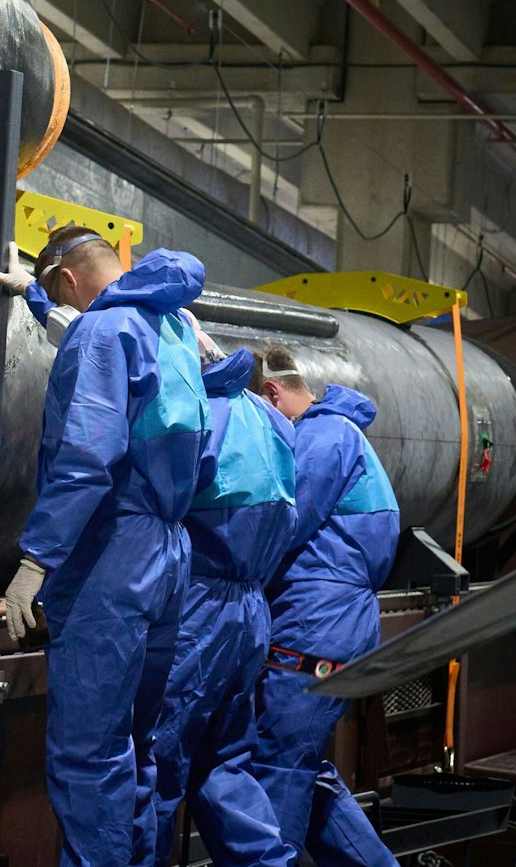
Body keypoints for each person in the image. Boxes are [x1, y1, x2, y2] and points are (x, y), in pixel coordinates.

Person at [0, 226, 210, 867]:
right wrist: (37, 303)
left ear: (67, 280)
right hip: (168, 556)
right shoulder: (172, 330)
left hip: (113, 555)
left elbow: (87, 457)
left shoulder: (102, 332)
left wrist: (35, 562)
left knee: (90, 756)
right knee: (135, 751)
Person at [149, 341, 297, 867]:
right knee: (225, 762)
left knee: (157, 761)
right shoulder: (273, 420)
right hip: (251, 613)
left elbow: (151, 510)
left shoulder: (200, 414)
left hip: (198, 612)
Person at [252, 345, 399, 866]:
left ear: (272, 396)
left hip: (312, 630)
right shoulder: (341, 433)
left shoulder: (321, 437)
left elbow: (279, 524)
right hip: (331, 627)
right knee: (306, 772)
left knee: (280, 770)